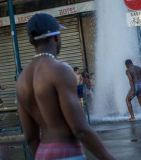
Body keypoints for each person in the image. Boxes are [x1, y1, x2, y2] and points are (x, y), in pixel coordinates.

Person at [16, 13, 115, 160]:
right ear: (56, 37)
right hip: (68, 152)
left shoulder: (22, 79)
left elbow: (30, 137)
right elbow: (80, 128)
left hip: (42, 153)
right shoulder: (59, 70)